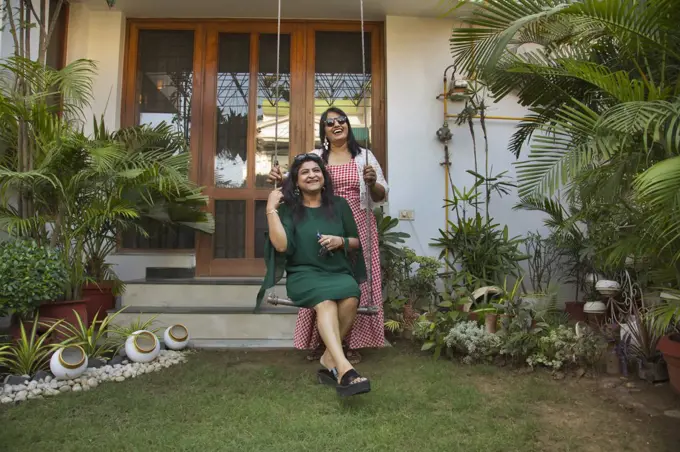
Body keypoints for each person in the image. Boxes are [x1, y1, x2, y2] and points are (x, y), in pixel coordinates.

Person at [268, 107, 388, 363]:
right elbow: (294, 182)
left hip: (358, 224)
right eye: (329, 122)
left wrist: (372, 182)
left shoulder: (364, 157)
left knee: (355, 285)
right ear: (323, 131)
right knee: (321, 279)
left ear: (348, 126)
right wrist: (279, 177)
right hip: (320, 222)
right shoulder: (316, 157)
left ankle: (348, 343)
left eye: (341, 120)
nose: (336, 124)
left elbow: (381, 194)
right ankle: (323, 342)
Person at [256, 153, 371, 397]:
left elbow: (356, 242)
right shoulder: (288, 210)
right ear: (296, 182)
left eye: (316, 170)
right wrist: (270, 209)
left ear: (324, 177)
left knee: (351, 296)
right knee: (326, 302)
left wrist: (340, 241)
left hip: (337, 271)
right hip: (304, 275)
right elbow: (281, 246)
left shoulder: (339, 205)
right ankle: (345, 370)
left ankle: (329, 357)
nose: (312, 175)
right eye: (305, 172)